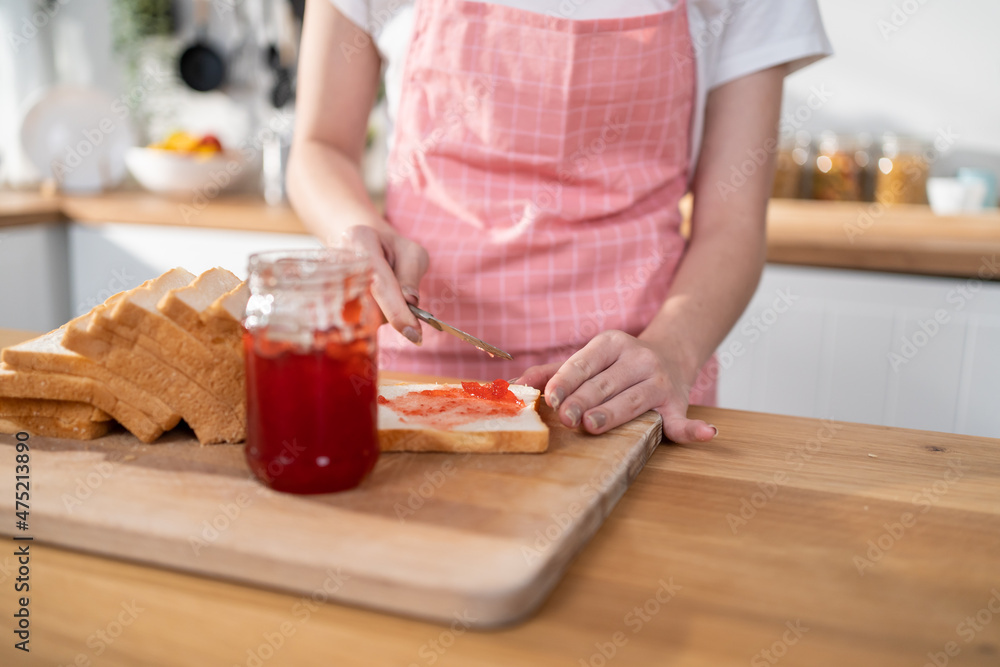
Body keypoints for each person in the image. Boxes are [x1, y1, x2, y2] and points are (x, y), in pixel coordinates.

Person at [287, 0, 832, 444]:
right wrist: (353, 229)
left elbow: (731, 223)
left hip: (633, 388)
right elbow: (320, 147)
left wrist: (672, 351)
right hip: (420, 369)